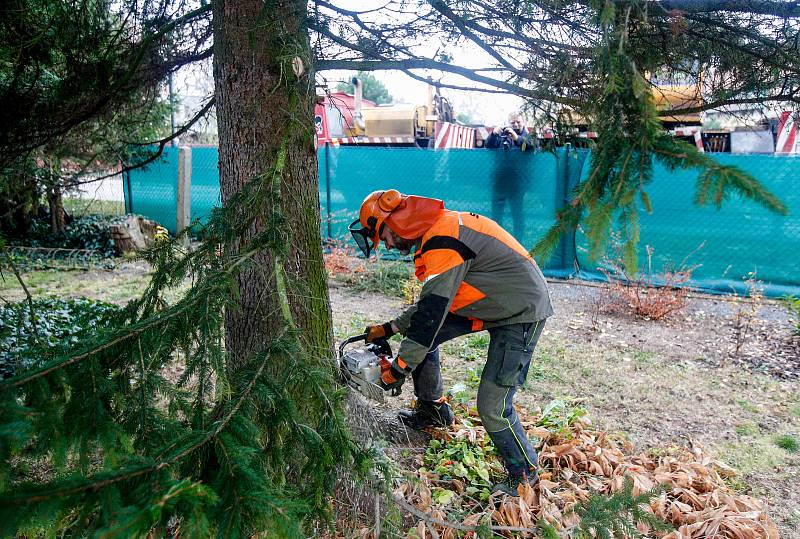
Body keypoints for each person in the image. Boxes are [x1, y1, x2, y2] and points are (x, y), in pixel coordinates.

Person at [348, 189, 553, 496]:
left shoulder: (442, 240)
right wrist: (389, 328)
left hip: (519, 310)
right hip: (485, 301)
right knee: (421, 337)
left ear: (396, 220)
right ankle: (433, 411)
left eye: (385, 236)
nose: (388, 245)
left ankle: (524, 473)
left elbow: (431, 314)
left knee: (492, 405)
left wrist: (398, 369)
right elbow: (434, 304)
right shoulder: (436, 235)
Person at [483, 111, 536, 240]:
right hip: (500, 181)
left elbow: (532, 146)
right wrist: (494, 134)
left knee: (517, 214)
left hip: (517, 184)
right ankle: (497, 241)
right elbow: (488, 145)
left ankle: (518, 242)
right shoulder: (503, 135)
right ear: (508, 123)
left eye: (518, 122)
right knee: (496, 215)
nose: (516, 125)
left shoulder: (528, 136)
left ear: (524, 123)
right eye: (513, 123)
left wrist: (517, 138)